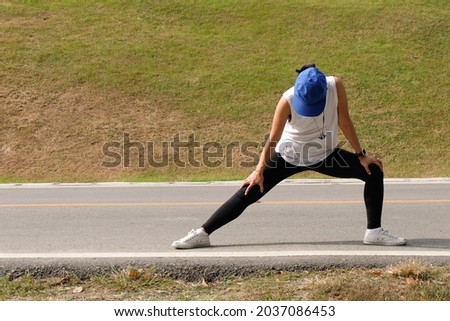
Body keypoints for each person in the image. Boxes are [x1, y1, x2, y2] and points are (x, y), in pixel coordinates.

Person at [172, 63, 406, 249]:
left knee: (373, 170)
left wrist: (361, 155)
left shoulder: (336, 85)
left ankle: (374, 232)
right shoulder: (288, 99)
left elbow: (344, 120)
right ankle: (203, 233)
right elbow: (273, 138)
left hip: (326, 154)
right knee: (249, 191)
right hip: (290, 155)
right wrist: (259, 169)